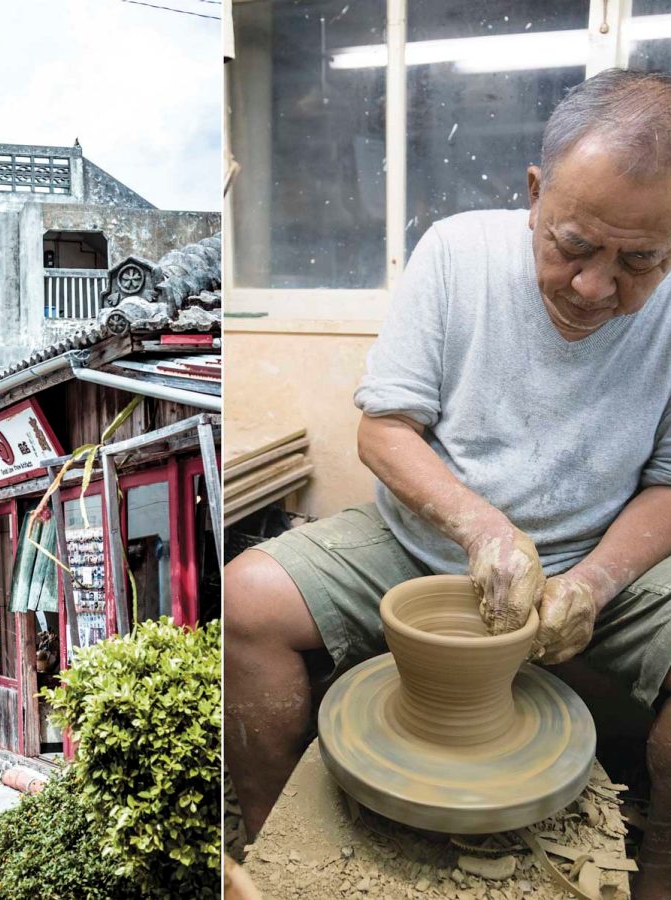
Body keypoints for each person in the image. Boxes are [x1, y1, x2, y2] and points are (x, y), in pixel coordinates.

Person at [225, 68, 671, 900]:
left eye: (639, 261)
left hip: (604, 555)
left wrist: (598, 581)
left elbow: (670, 485)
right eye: (573, 246)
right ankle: (270, 847)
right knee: (247, 596)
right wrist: (484, 529)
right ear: (536, 193)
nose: (595, 288)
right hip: (424, 543)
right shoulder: (457, 251)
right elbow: (384, 429)